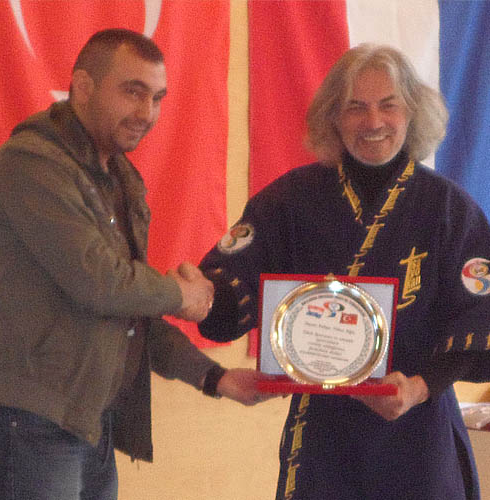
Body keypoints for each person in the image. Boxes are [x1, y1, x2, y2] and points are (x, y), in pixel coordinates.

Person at [0, 28, 273, 500]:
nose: (147, 113)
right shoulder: (31, 164)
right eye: (133, 92)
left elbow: (129, 314)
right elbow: (101, 283)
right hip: (32, 425)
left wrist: (215, 378)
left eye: (157, 98)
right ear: (83, 86)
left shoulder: (120, 178)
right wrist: (182, 294)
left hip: (91, 423)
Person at [198, 43, 490, 500]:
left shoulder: (450, 209)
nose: (373, 122)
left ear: (412, 112)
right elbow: (231, 283)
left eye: (388, 105)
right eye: (356, 107)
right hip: (322, 438)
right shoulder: (289, 200)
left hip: (419, 431)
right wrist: (201, 294)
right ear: (333, 117)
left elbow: (477, 319)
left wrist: (417, 389)